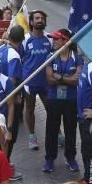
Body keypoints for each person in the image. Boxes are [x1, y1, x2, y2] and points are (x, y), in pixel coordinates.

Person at [44, 29, 82, 173]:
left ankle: (71, 158)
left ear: (65, 41)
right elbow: (49, 79)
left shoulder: (77, 58)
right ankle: (49, 159)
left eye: (56, 39)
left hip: (71, 100)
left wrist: (59, 77)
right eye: (53, 39)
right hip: (54, 99)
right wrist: (67, 79)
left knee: (71, 130)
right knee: (51, 130)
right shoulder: (50, 56)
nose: (53, 42)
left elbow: (76, 81)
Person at [0, 25, 25, 181]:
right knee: (10, 135)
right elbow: (13, 80)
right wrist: (16, 99)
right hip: (9, 100)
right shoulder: (14, 55)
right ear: (21, 40)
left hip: (0, 97)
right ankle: (5, 165)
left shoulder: (2, 48)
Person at [22, 10, 51, 151]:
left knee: (51, 109)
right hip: (29, 82)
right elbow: (18, 55)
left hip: (46, 82)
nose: (40, 20)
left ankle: (56, 132)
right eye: (37, 18)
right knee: (30, 109)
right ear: (31, 22)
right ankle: (32, 136)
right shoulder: (25, 39)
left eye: (42, 18)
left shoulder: (50, 38)